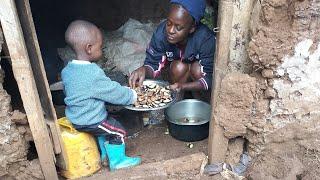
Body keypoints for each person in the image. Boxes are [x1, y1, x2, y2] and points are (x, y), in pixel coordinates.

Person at [61, 20, 141, 171]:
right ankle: (118, 162)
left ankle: (105, 157)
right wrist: (131, 95)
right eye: (100, 46)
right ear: (89, 48)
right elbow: (112, 92)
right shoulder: (92, 73)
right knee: (118, 131)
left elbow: (68, 91)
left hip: (75, 116)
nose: (102, 49)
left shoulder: (68, 69)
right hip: (91, 119)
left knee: (104, 132)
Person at [129, 0, 215, 102]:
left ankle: (203, 103)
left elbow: (210, 79)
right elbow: (153, 63)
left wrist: (184, 86)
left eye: (178, 27)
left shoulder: (205, 39)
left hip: (198, 78)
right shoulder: (161, 34)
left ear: (192, 28)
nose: (170, 30)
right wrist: (144, 69)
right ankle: (177, 103)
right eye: (169, 23)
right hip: (176, 74)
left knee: (197, 69)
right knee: (179, 67)